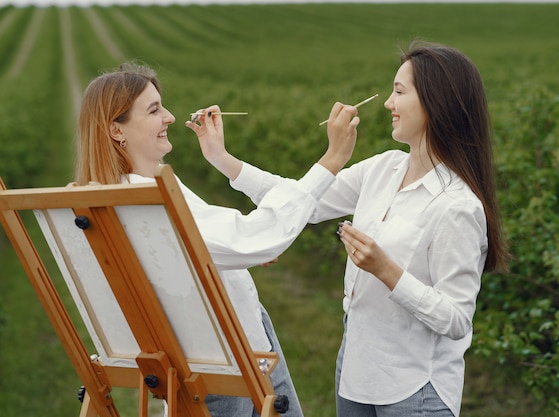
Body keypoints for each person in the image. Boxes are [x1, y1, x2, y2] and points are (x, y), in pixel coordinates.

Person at [212, 42, 509, 417]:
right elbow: (305, 201)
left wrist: (385, 270)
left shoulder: (457, 206)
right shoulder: (384, 168)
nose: (387, 103)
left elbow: (455, 318)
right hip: (354, 375)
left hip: (415, 390)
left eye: (399, 92)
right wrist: (222, 159)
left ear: (436, 102)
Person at [74, 61, 360, 417]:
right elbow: (255, 235)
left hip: (226, 345)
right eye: (154, 110)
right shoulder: (145, 202)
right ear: (117, 130)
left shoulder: (116, 194)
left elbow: (210, 244)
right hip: (219, 359)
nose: (171, 117)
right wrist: (332, 159)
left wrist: (239, 249)